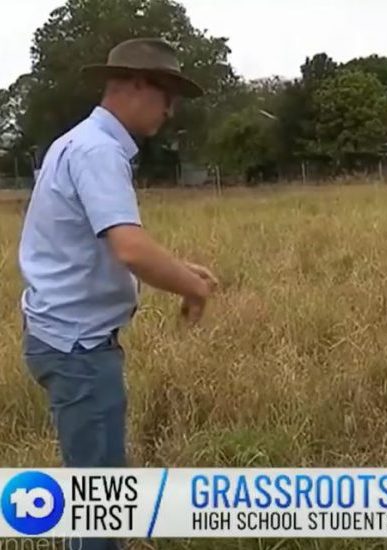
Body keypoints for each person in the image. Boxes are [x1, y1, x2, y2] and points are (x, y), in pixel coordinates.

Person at [18, 38, 217, 548]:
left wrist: (177, 268)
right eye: (165, 93)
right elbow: (129, 247)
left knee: (96, 496)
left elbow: (103, 242)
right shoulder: (97, 150)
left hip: (63, 337)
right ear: (132, 86)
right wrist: (192, 287)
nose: (170, 110)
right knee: (100, 510)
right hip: (78, 348)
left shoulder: (79, 143)